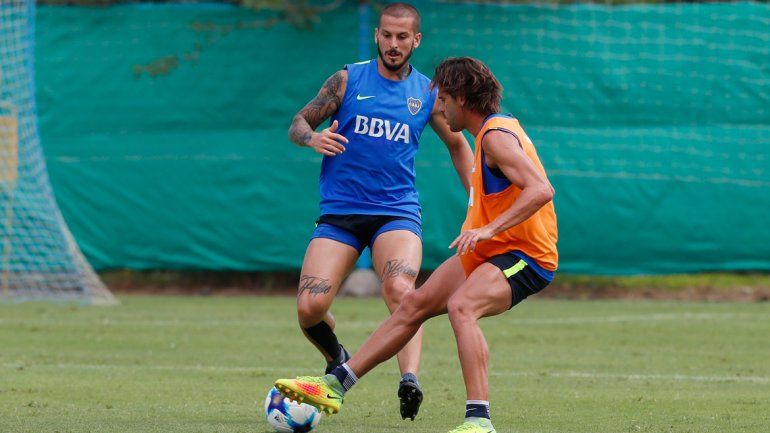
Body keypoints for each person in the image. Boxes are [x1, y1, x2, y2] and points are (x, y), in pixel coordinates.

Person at [276, 57, 558, 433]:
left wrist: (489, 229)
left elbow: (541, 190)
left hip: (526, 254)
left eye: (442, 99)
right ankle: (335, 385)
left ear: (460, 98)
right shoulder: (488, 134)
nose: (438, 107)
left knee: (462, 306)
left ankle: (479, 421)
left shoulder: (494, 136)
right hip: (492, 249)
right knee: (413, 304)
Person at [285, 2, 473, 421]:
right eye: (386, 35)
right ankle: (337, 357)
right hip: (341, 213)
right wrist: (311, 139)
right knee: (309, 309)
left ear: (416, 40)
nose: (393, 43)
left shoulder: (427, 93)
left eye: (402, 37)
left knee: (401, 292)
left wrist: (478, 200)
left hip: (396, 212)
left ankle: (410, 379)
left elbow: (459, 145)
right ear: (377, 35)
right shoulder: (347, 79)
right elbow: (299, 121)